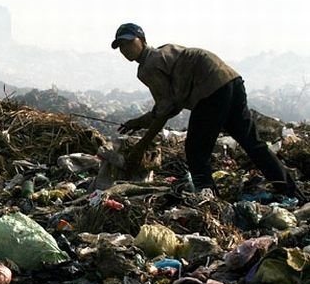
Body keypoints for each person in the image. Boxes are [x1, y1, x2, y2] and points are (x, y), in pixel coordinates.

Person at [111, 23, 304, 201]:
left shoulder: (148, 66)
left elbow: (167, 109)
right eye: (120, 46)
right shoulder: (165, 52)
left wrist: (141, 146)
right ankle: (289, 191)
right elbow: (168, 105)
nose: (125, 49)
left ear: (142, 40)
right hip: (231, 81)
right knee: (252, 142)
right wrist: (138, 122)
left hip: (210, 91)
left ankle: (207, 197)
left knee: (196, 150)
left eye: (129, 42)